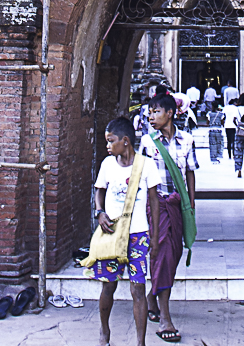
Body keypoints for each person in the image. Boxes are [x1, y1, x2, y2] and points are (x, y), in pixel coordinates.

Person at [93, 116, 161, 346]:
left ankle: (140, 342)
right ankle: (104, 330)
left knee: (138, 289)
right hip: (112, 233)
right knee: (108, 285)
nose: (108, 145)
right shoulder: (107, 165)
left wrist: (154, 236)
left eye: (111, 141)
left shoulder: (147, 165)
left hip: (138, 235)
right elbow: (99, 190)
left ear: (125, 141)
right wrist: (99, 212)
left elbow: (154, 201)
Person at [140, 93, 198, 343]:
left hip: (178, 204)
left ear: (170, 113)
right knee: (161, 251)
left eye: (156, 112)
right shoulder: (147, 142)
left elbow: (190, 172)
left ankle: (152, 296)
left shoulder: (187, 140)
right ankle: (165, 317)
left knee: (173, 254)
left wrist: (191, 204)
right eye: (150, 112)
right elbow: (140, 175)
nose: (151, 117)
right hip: (157, 204)